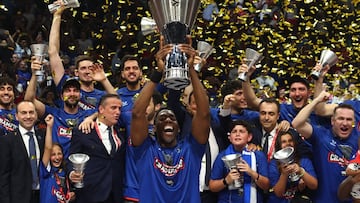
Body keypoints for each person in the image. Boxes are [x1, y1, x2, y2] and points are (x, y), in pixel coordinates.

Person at [130, 36, 210, 202]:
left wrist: (191, 71)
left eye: (172, 118)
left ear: (179, 128)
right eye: (162, 118)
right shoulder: (145, 151)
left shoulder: (191, 149)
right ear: (154, 128)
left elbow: (203, 113)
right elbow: (138, 113)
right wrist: (158, 72)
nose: (167, 120)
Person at [292, 90, 358, 203]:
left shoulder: (358, 139)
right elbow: (297, 124)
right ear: (332, 121)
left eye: (349, 120)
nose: (345, 123)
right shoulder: (321, 135)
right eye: (341, 118)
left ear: (354, 123)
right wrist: (317, 101)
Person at [48, 1, 116, 111]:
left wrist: (104, 80)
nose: (87, 71)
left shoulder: (102, 96)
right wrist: (57, 16)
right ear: (76, 72)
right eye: (83, 68)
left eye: (90, 68)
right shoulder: (67, 87)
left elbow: (118, 105)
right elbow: (53, 52)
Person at [25, 57, 96, 158]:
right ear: (62, 96)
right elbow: (29, 101)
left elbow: (108, 109)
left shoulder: (88, 114)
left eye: (75, 90)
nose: (72, 94)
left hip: (80, 168)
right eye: (68, 90)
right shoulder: (53, 113)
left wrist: (91, 117)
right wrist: (34, 75)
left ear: (80, 95)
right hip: (57, 168)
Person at [68, 94, 126, 203]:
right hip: (90, 195)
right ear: (101, 109)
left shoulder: (121, 133)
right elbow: (71, 158)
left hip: (116, 195)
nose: (118, 112)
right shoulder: (83, 132)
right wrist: (72, 173)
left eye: (119, 108)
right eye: (113, 108)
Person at [240, 63, 330, 126]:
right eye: (293, 90)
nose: (297, 93)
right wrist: (246, 77)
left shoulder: (318, 112)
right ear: (289, 94)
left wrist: (320, 79)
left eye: (301, 89)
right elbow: (252, 101)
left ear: (309, 93)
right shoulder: (282, 109)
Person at [209, 120, 270, 203]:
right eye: (234, 132)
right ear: (229, 137)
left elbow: (266, 186)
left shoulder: (258, 155)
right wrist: (226, 180)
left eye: (241, 131)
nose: (237, 134)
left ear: (249, 137)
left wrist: (251, 172)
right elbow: (212, 186)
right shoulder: (222, 156)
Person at [0, 100, 45, 203]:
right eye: (24, 113)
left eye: (31, 112)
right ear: (16, 116)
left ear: (36, 115)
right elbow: (3, 177)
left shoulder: (43, 136)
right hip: (18, 198)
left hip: (41, 196)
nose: (28, 116)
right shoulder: (7, 141)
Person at [268, 130, 317, 203]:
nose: (288, 143)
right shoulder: (274, 164)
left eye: (290, 140)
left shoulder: (304, 161)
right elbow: (278, 193)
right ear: (279, 145)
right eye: (284, 142)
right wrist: (284, 175)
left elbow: (314, 185)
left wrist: (301, 171)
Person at [40, 114, 75, 203]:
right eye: (53, 154)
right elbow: (48, 147)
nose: (57, 157)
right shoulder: (46, 171)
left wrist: (71, 196)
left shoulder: (65, 172)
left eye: (59, 154)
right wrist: (49, 127)